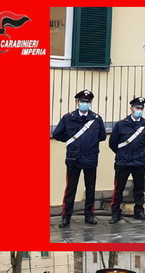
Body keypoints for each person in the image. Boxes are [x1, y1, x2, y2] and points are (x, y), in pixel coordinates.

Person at [52, 89, 107, 228]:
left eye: (87, 102)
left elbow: (102, 136)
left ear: (90, 103)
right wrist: (70, 140)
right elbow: (57, 134)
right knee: (71, 189)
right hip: (73, 158)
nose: (84, 104)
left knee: (90, 188)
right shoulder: (68, 117)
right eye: (82, 101)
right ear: (77, 102)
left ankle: (89, 215)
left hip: (90, 158)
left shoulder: (96, 119)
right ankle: (66, 217)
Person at [108, 96, 145, 224]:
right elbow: (113, 143)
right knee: (119, 189)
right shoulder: (121, 125)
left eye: (141, 108)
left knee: (139, 189)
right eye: (137, 108)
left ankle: (139, 211)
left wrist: (140, 155)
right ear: (131, 108)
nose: (139, 110)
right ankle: (115, 213)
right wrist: (122, 154)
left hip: (138, 162)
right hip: (123, 162)